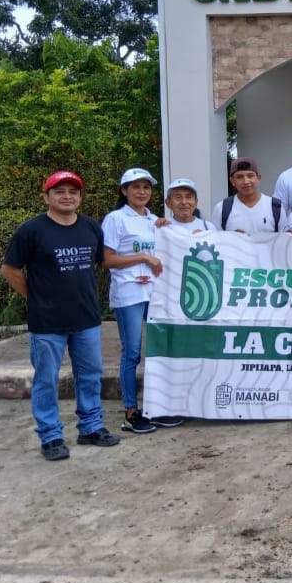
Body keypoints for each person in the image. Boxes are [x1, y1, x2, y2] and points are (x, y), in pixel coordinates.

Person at [1, 170, 121, 460]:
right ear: (47, 197)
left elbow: (97, 264)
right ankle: (51, 436)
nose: (67, 196)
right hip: (47, 323)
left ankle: (91, 427)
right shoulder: (31, 231)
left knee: (90, 376)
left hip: (86, 318)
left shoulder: (91, 227)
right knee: (46, 379)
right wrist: (37, 297)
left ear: (80, 197)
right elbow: (10, 269)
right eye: (60, 191)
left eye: (73, 192)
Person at [102, 167, 182, 434]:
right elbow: (106, 259)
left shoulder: (155, 220)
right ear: (124, 190)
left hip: (156, 293)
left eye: (146, 187)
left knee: (160, 350)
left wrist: (168, 229)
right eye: (135, 187)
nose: (141, 192)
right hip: (130, 294)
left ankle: (158, 406)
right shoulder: (115, 219)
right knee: (132, 352)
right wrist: (143, 257)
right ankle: (131, 411)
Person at [211, 157, 287, 233]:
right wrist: (232, 236)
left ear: (258, 178)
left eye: (250, 176)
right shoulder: (222, 208)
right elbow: (215, 238)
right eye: (239, 177)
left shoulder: (275, 206)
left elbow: (283, 238)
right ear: (232, 181)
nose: (246, 181)